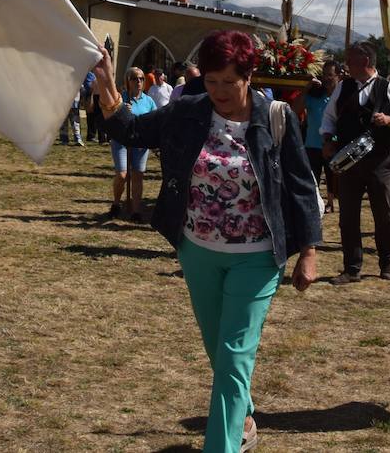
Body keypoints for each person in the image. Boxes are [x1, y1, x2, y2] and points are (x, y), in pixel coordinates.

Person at [92, 29, 320, 453]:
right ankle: (244, 415)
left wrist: (308, 251)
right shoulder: (189, 110)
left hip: (256, 256)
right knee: (220, 350)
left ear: (249, 76)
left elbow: (301, 186)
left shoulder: (275, 119)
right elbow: (133, 130)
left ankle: (222, 445)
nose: (218, 92)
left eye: (228, 82)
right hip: (197, 251)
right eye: (211, 81)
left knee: (234, 354)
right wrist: (107, 82)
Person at [320, 42, 390, 283]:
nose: (345, 64)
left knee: (384, 214)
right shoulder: (343, 87)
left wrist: (389, 119)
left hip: (379, 160)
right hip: (348, 163)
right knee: (348, 216)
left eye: (349, 60)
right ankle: (351, 268)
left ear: (365, 62)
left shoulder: (388, 87)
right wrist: (328, 139)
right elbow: (329, 118)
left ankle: (386, 262)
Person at [292, 60, 340, 213]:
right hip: (312, 145)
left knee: (334, 177)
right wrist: (306, 90)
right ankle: (314, 203)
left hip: (334, 144)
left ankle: (331, 202)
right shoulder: (314, 96)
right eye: (324, 75)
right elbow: (294, 110)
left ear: (338, 76)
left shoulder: (341, 98)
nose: (326, 78)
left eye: (330, 75)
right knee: (312, 179)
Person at [108, 67, 156, 221]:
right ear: (127, 81)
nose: (139, 81)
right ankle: (116, 203)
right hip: (121, 142)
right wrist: (121, 111)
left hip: (140, 143)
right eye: (135, 78)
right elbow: (109, 119)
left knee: (137, 175)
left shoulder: (148, 101)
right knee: (122, 175)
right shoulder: (120, 98)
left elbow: (154, 120)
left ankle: (136, 210)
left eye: (142, 78)